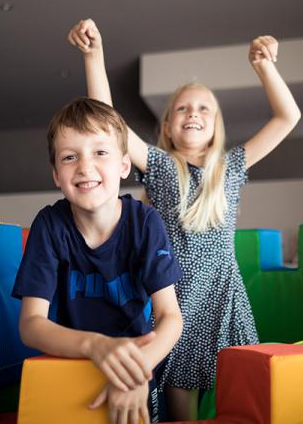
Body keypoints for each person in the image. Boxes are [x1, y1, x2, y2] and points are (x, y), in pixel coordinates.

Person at [67, 19, 301, 420]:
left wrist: (265, 66)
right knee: (180, 397)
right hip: (173, 296)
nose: (193, 113)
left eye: (203, 108)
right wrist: (94, 56)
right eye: (182, 108)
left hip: (224, 292)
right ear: (168, 127)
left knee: (244, 389)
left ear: (215, 126)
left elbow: (287, 117)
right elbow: (107, 122)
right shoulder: (159, 165)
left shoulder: (231, 166)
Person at [12, 97, 184, 424]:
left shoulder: (145, 222)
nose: (85, 167)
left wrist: (137, 371)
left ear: (123, 165)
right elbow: (30, 325)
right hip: (70, 361)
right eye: (69, 156)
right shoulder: (50, 225)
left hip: (136, 365)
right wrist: (95, 345)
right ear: (55, 174)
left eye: (100, 152)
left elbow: (171, 317)